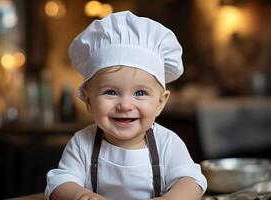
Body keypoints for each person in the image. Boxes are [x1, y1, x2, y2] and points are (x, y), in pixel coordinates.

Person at [45, 10, 207, 200]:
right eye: (111, 92)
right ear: (88, 101)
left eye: (140, 93)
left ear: (160, 103)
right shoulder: (82, 144)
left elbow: (191, 181)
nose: (125, 105)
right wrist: (81, 195)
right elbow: (60, 182)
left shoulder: (167, 143)